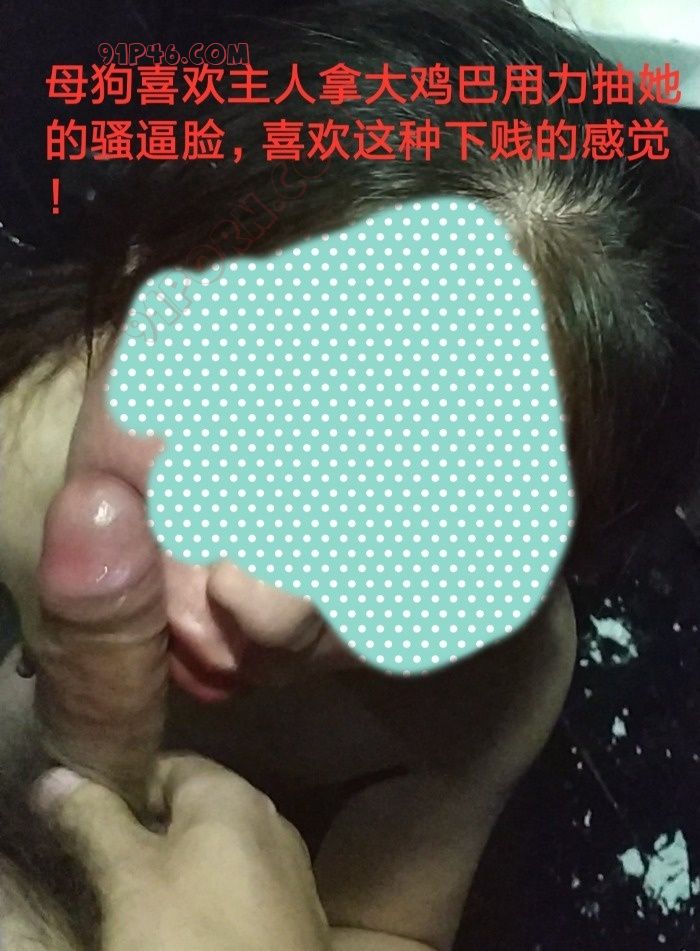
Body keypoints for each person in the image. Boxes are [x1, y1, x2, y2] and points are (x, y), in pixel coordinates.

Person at [0, 0, 698, 946]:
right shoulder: (11, 437)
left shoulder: (492, 689)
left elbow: (388, 923)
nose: (264, 605)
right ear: (135, 270)